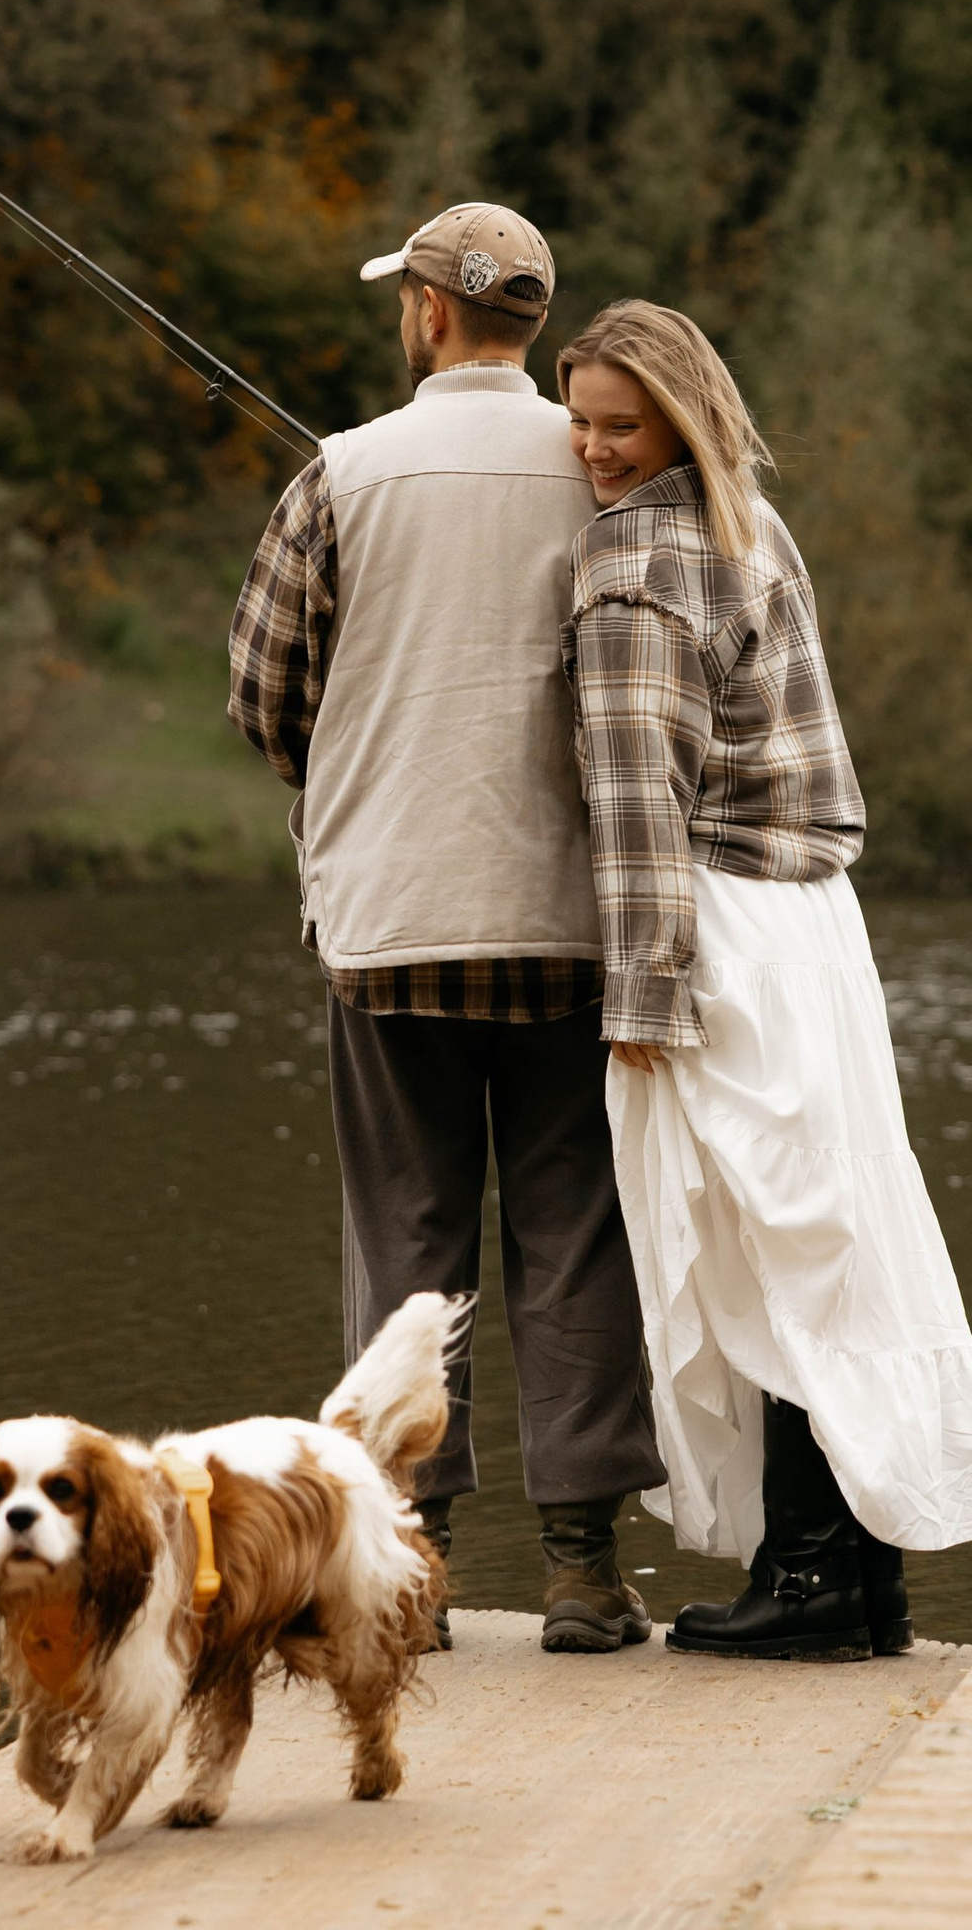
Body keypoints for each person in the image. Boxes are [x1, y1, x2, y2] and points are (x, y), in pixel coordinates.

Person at [556, 298, 972, 1658]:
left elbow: (638, 802)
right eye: (580, 422)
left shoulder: (631, 572)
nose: (592, 448)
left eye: (620, 424)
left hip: (717, 926)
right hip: (817, 923)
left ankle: (818, 1581)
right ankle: (859, 1577)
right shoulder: (751, 528)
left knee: (756, 1246)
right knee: (835, 1236)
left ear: (679, 419)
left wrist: (642, 998)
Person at [228, 204, 661, 1655]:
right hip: (572, 925)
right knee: (574, 1235)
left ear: (425, 313)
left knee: (405, 1241)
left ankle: (407, 1569)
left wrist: (361, 770)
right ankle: (586, 1570)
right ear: (532, 322)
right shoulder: (605, 465)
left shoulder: (338, 472)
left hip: (393, 929)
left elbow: (264, 701)